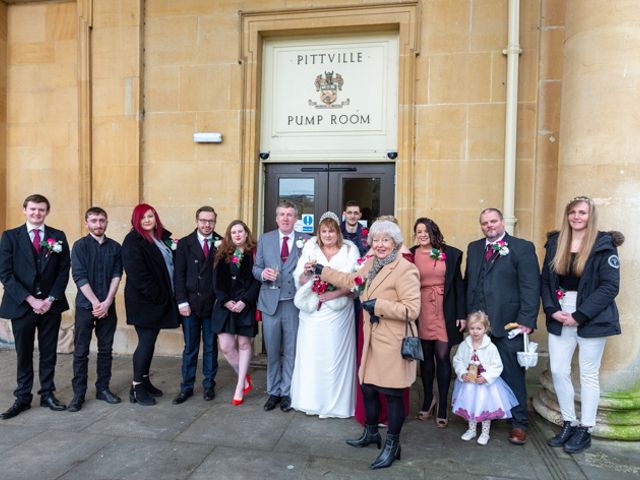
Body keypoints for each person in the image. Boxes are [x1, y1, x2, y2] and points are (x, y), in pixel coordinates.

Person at [312, 219, 420, 469]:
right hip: (372, 338)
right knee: (368, 387)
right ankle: (371, 433)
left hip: (393, 340)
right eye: (376, 240)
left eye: (386, 240)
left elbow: (412, 309)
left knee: (392, 395)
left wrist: (378, 306)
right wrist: (321, 269)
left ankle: (393, 445)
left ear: (395, 243)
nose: (380, 244)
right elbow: (352, 281)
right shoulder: (372, 264)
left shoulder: (405, 269)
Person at [541, 196, 622, 454]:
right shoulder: (555, 242)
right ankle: (569, 421)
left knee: (588, 374)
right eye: (573, 212)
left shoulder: (603, 245)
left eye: (582, 212)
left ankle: (585, 428)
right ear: (567, 215)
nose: (577, 217)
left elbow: (610, 286)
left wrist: (580, 315)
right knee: (558, 370)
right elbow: (546, 281)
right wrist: (553, 310)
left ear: (591, 216)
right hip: (560, 314)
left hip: (591, 316)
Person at [464, 208, 540, 445]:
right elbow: (470, 283)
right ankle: (489, 413)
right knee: (481, 372)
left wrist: (526, 320)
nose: (489, 226)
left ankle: (518, 423)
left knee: (512, 374)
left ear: (502, 222)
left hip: (509, 324)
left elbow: (530, 286)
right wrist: (467, 318)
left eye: (493, 221)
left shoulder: (522, 247)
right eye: (485, 222)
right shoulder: (474, 248)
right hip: (480, 328)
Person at [0, 194, 70, 419]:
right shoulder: (10, 237)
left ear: (47, 212)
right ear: (24, 210)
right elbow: (6, 274)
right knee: (24, 353)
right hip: (22, 305)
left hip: (50, 305)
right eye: (32, 209)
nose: (36, 213)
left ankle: (48, 393)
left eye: (41, 210)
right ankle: (23, 397)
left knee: (49, 352)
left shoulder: (57, 236)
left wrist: (49, 299)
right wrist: (31, 300)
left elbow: (63, 270)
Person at [291, 211, 359, 418]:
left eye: (331, 231)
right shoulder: (310, 248)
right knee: (312, 356)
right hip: (313, 313)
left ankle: (336, 405)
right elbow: (300, 280)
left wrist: (334, 294)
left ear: (338, 232)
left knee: (334, 356)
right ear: (319, 233)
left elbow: (356, 281)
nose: (328, 235)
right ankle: (310, 400)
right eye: (324, 231)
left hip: (339, 312)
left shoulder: (350, 250)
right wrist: (307, 272)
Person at [409, 217, 466, 427]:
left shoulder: (449, 253)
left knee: (442, 356)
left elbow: (459, 285)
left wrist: (461, 314)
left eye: (426, 231)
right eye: (419, 231)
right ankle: (427, 399)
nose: (422, 235)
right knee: (425, 358)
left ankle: (442, 403)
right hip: (421, 307)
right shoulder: (410, 254)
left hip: (445, 309)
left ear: (434, 232)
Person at [122, 203, 180, 406]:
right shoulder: (133, 241)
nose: (147, 220)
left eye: (150, 216)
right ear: (136, 220)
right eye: (143, 217)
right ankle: (137, 387)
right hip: (144, 301)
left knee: (150, 341)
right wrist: (159, 296)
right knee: (146, 342)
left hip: (158, 300)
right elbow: (138, 275)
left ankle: (144, 381)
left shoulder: (160, 238)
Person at [253, 200, 308, 412]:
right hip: (270, 303)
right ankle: (273, 391)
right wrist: (262, 274)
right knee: (273, 350)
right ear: (276, 218)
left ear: (295, 218)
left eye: (290, 215)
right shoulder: (265, 239)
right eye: (282, 214)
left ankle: (287, 392)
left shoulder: (306, 240)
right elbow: (256, 268)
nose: (285, 218)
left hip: (294, 303)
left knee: (292, 350)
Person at [68, 207, 123, 412]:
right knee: (81, 352)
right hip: (85, 306)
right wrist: (95, 303)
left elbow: (117, 274)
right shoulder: (79, 246)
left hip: (108, 306)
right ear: (86, 223)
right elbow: (79, 276)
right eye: (94, 220)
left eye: (101, 220)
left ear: (106, 222)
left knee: (105, 350)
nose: (98, 224)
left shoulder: (115, 247)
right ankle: (78, 395)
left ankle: (103, 389)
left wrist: (107, 301)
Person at [173, 206, 222, 405]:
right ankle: (186, 387)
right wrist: (182, 301)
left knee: (210, 347)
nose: (207, 225)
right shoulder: (185, 243)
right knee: (190, 347)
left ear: (215, 222)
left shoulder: (222, 243)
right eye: (203, 220)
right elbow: (179, 275)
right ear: (196, 220)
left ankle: (209, 385)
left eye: (210, 221)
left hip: (212, 304)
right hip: (190, 305)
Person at [451, 311, 518, 446]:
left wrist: (486, 377)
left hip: (485, 385)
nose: (475, 332)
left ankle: (485, 432)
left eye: (479, 328)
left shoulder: (491, 347)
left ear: (485, 329)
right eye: (472, 328)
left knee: (485, 407)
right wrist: (462, 373)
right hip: (469, 383)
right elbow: (457, 360)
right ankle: (472, 430)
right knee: (471, 405)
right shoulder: (465, 345)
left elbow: (497, 366)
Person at [213, 220, 260, 406]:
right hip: (225, 305)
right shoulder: (222, 254)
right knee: (225, 346)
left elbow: (257, 281)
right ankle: (245, 377)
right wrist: (226, 301)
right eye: (234, 232)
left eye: (241, 231)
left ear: (246, 234)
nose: (238, 235)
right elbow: (216, 282)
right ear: (229, 236)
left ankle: (240, 385)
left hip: (245, 305)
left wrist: (245, 301)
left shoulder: (254, 254)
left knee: (243, 343)